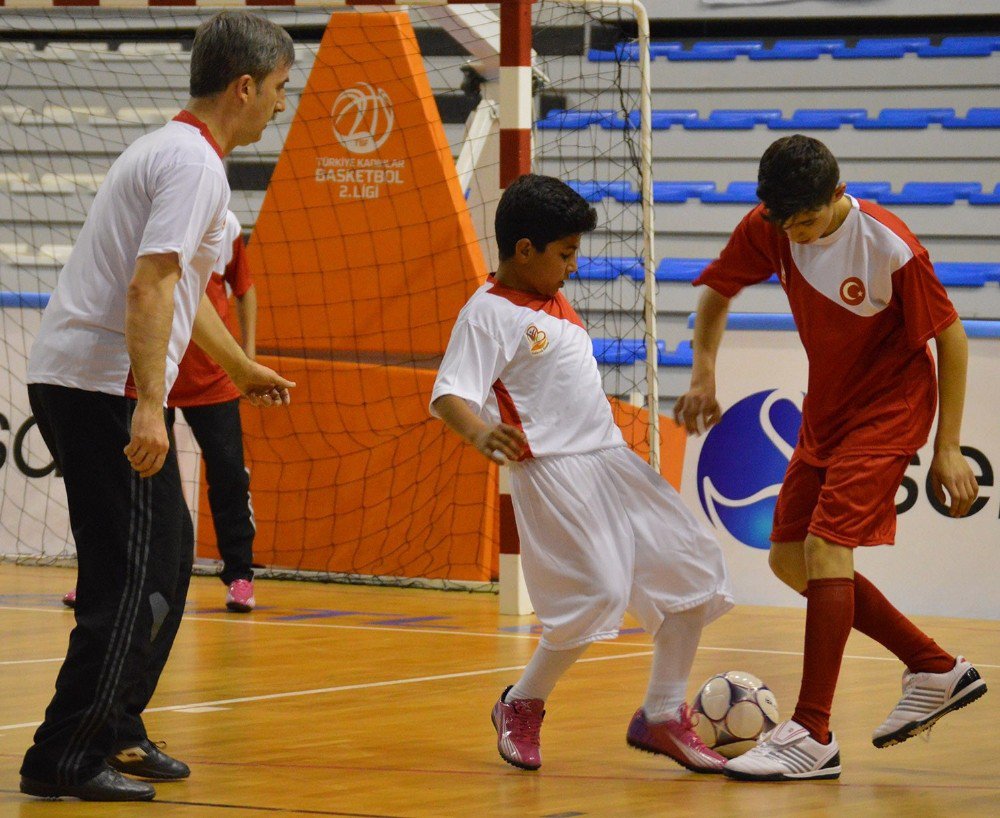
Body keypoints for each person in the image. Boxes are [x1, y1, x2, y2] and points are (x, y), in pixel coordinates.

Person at [20, 11, 296, 802]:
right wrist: (149, 403)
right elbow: (149, 285)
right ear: (244, 86)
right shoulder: (191, 164)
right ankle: (64, 756)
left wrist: (239, 367)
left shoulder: (181, 155)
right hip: (99, 386)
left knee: (167, 559)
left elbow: (186, 294)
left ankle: (118, 728)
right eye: (278, 89)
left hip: (93, 381)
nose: (280, 104)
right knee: (129, 573)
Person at [675, 134, 987, 782]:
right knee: (789, 559)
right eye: (782, 220)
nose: (794, 232)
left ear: (836, 196)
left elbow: (952, 341)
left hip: (891, 409)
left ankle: (810, 734)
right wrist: (704, 373)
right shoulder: (771, 226)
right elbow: (715, 294)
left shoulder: (887, 244)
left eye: (806, 219)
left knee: (825, 549)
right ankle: (935, 668)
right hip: (827, 412)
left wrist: (948, 447)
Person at [430, 174, 733, 774]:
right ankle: (522, 703)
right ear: (524, 251)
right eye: (565, 254)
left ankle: (662, 714)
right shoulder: (487, 313)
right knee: (598, 594)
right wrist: (479, 432)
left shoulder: (552, 302)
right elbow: (448, 395)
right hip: (554, 470)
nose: (573, 265)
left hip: (610, 462)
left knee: (694, 573)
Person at [62, 211, 260, 614]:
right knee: (133, 482)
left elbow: (244, 288)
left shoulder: (227, 225)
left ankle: (239, 575)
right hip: (152, 376)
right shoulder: (140, 225)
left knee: (227, 473)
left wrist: (247, 360)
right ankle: (103, 579)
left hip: (213, 377)